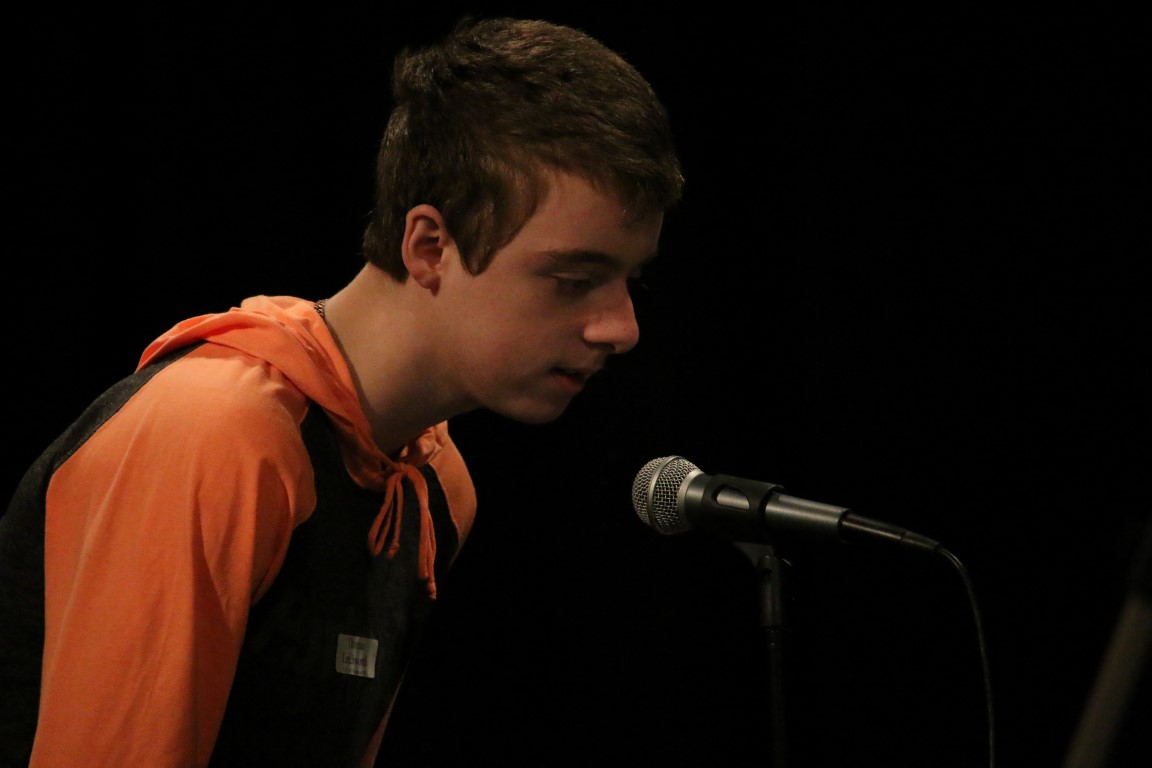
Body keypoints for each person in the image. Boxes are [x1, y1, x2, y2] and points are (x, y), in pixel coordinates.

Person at [0, 15, 684, 768]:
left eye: (632, 280)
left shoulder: (432, 484)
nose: (623, 328)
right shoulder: (216, 434)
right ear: (430, 247)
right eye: (575, 279)